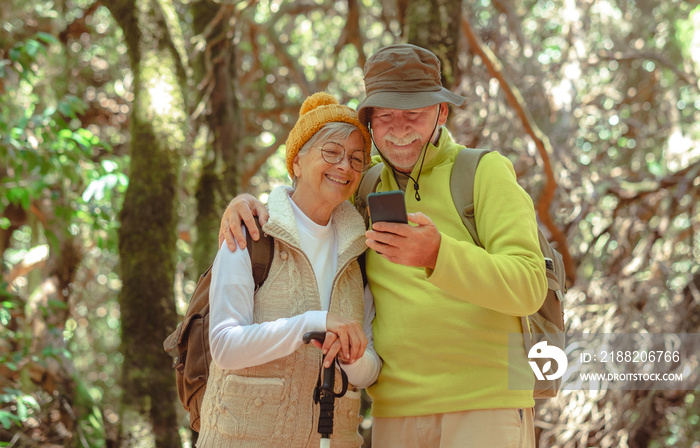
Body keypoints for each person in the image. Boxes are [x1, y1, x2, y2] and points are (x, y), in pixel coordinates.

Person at [219, 45, 547, 448]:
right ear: (370, 123)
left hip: (485, 404)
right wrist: (247, 204)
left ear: (441, 113)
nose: (400, 129)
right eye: (386, 116)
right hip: (395, 413)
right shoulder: (365, 184)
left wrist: (438, 254)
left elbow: (531, 285)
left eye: (414, 114)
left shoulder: (482, 172)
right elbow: (308, 198)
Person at [196, 92, 381, 448]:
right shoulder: (250, 232)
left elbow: (370, 367)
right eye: (331, 152)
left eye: (357, 159)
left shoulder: (359, 252)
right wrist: (310, 323)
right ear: (296, 161)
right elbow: (224, 345)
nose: (345, 166)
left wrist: (353, 357)